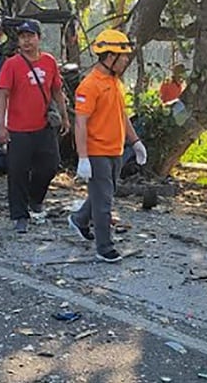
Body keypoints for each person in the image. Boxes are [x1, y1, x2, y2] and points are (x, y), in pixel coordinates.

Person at [68, 29, 147, 263]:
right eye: (122, 57)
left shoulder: (115, 82)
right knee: (104, 203)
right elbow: (80, 123)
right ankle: (104, 246)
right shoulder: (89, 85)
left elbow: (121, 115)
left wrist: (135, 141)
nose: (125, 61)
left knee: (103, 193)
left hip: (116, 150)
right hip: (96, 152)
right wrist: (83, 158)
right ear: (109, 56)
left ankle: (79, 219)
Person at [0, 19, 71, 233]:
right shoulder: (12, 64)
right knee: (17, 171)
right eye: (22, 37)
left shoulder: (49, 62)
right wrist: (2, 126)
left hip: (44, 125)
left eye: (30, 36)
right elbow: (2, 95)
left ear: (39, 38)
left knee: (51, 165)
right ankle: (19, 215)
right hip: (18, 128)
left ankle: (35, 198)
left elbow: (57, 91)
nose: (26, 41)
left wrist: (65, 117)